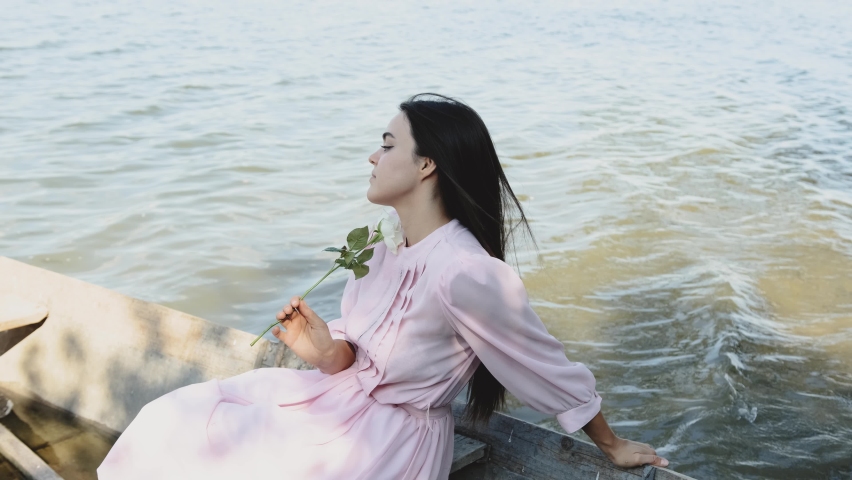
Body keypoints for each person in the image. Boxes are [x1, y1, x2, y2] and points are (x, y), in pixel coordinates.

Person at [97, 93, 668, 479]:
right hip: (336, 407)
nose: (373, 155)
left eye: (388, 145)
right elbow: (361, 358)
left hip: (389, 440)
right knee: (173, 422)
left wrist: (610, 443)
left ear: (427, 166)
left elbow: (543, 364)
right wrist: (325, 352)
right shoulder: (380, 250)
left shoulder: (466, 272)